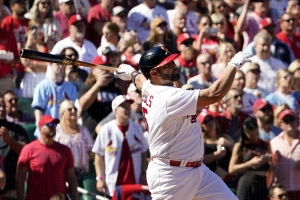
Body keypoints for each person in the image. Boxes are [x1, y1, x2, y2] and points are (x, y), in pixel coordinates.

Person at [116, 46, 252, 199]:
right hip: (171, 176)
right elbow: (215, 94)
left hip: (198, 171)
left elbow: (141, 81)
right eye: (167, 65)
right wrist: (233, 65)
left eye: (172, 62)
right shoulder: (168, 97)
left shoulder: (151, 86)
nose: (174, 66)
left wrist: (131, 73)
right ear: (154, 73)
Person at [92, 95, 148, 197]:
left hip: (134, 183)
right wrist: (100, 178)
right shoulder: (106, 129)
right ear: (115, 110)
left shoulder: (137, 128)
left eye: (128, 106)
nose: (127, 109)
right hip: (113, 184)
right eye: (123, 106)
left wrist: (144, 174)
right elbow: (98, 156)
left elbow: (143, 153)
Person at [16, 114, 78, 200]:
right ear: (40, 128)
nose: (52, 127)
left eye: (54, 124)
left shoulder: (65, 150)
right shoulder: (29, 149)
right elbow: (20, 178)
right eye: (49, 125)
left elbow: (71, 178)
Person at [228, 117, 272, 200]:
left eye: (257, 134)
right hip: (246, 182)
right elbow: (231, 169)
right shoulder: (240, 146)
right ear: (245, 133)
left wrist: (268, 160)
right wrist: (250, 163)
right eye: (251, 136)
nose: (255, 138)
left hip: (262, 182)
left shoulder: (265, 144)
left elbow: (272, 167)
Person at [54, 100, 94, 184]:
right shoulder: (56, 130)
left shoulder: (84, 130)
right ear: (62, 113)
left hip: (80, 174)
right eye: (69, 109)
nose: (73, 111)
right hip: (61, 173)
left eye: (75, 109)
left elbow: (92, 153)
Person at [0, 96, 28, 199]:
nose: (2, 109)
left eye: (3, 106)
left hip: (12, 192)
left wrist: (10, 140)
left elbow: (26, 152)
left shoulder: (17, 129)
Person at [270, 109, 300, 200]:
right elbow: (271, 167)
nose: (289, 123)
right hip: (283, 192)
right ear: (280, 124)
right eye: (286, 120)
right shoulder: (274, 142)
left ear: (297, 120)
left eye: (292, 119)